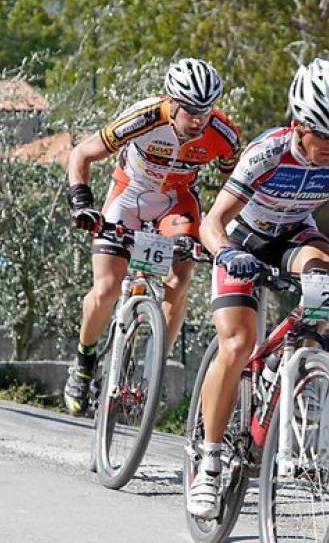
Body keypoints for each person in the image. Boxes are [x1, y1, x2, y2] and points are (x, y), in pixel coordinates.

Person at [190, 58, 329, 519]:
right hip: (245, 239)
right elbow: (212, 222)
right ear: (298, 125)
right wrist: (226, 253)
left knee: (326, 264)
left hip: (295, 237)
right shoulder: (266, 153)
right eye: (323, 135)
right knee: (236, 344)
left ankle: (305, 369)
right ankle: (209, 463)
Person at [63, 58, 241, 415]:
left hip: (176, 203)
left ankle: (154, 365)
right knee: (106, 290)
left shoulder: (223, 133)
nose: (198, 119)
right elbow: (82, 154)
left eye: (205, 111)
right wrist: (81, 203)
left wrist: (224, 231)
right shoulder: (145, 116)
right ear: (172, 102)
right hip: (129, 194)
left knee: (180, 276)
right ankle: (83, 363)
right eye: (190, 110)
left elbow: (234, 185)